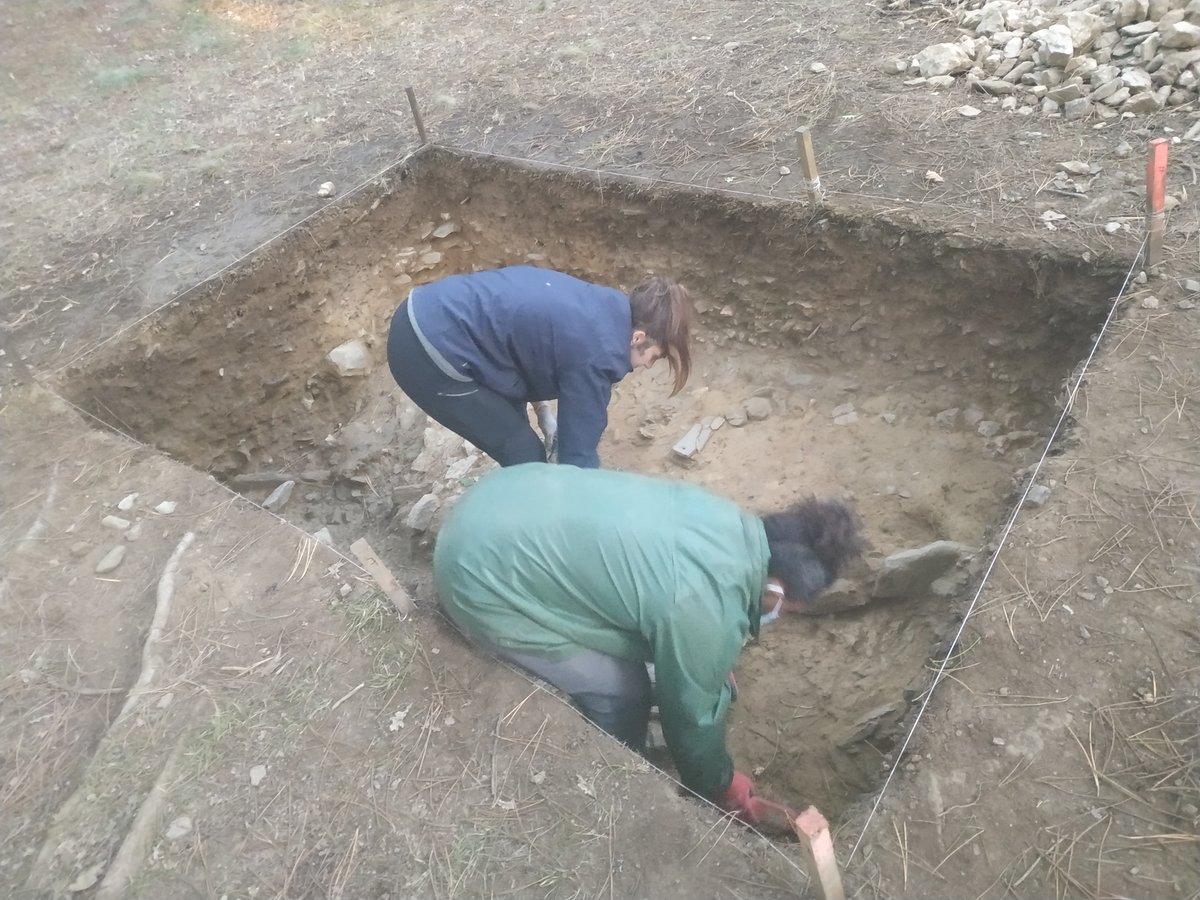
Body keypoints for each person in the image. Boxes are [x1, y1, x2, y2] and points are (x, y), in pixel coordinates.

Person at [432, 463, 865, 824]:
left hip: (502, 495)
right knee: (624, 689)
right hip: (477, 577)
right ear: (776, 590)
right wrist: (719, 782)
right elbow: (691, 715)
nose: (779, 617)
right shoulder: (701, 606)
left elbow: (661, 591)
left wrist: (705, 655)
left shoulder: (727, 521)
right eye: (787, 610)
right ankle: (624, 766)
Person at [387, 265, 693, 469]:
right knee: (525, 456)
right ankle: (528, 546)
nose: (648, 366)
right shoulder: (600, 352)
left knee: (516, 433)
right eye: (654, 356)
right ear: (637, 338)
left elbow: (529, 344)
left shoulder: (604, 308)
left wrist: (542, 411)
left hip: (430, 311)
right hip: (427, 349)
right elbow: (577, 459)